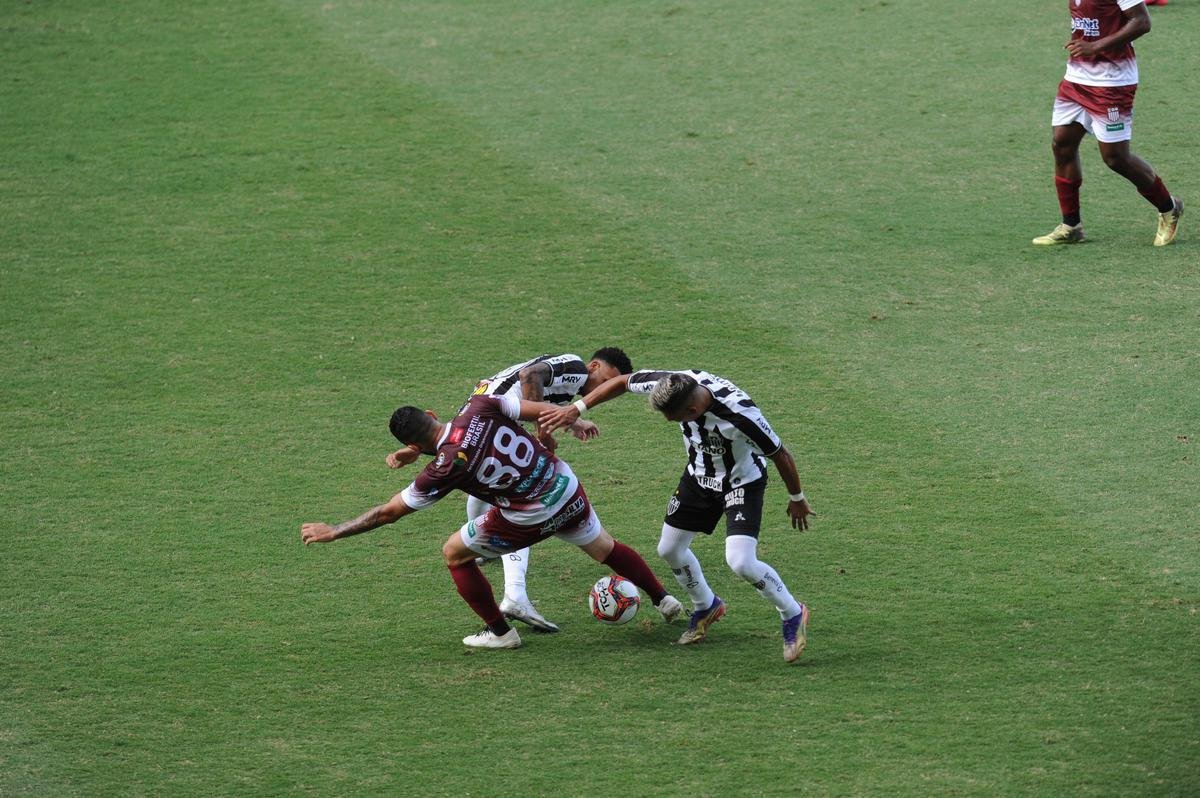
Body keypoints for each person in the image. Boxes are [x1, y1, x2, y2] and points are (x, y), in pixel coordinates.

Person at [301, 394, 683, 650]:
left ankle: (502, 633)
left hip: (530, 515)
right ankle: (662, 599)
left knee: (455, 553)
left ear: (415, 446)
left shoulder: (443, 468)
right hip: (565, 487)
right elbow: (541, 411)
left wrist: (334, 531)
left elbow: (389, 513)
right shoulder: (480, 405)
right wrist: (573, 424)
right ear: (432, 415)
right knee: (603, 547)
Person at [541, 369, 816, 663]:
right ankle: (706, 606)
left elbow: (780, 453)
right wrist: (577, 408)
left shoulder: (741, 415)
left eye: (673, 416)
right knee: (669, 549)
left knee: (741, 562)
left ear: (693, 410)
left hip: (741, 482)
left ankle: (792, 613)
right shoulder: (672, 382)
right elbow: (622, 381)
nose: (668, 421)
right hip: (698, 479)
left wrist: (796, 497)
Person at [382, 349, 633, 633]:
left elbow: (541, 398)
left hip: (484, 414)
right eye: (605, 381)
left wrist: (574, 421)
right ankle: (514, 594)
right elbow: (530, 376)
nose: (603, 391)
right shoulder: (577, 368)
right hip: (498, 416)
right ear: (594, 366)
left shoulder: (573, 382)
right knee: (515, 508)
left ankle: (485, 556)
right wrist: (544, 434)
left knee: (484, 497)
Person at [1032, 0, 1182, 247]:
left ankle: (1169, 207)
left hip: (1112, 83)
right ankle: (1071, 226)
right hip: (1076, 78)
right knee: (1062, 144)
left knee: (1115, 158)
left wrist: (1095, 47)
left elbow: (1143, 21)